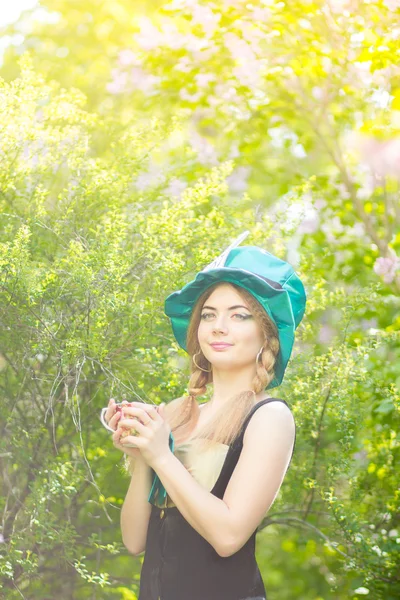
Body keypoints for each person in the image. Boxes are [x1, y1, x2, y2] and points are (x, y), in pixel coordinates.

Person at [100, 231, 307, 600]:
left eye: (239, 315)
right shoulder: (175, 413)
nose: (218, 326)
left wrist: (161, 455)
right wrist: (142, 457)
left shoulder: (269, 416)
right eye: (208, 314)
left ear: (267, 334)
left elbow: (228, 537)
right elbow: (134, 542)